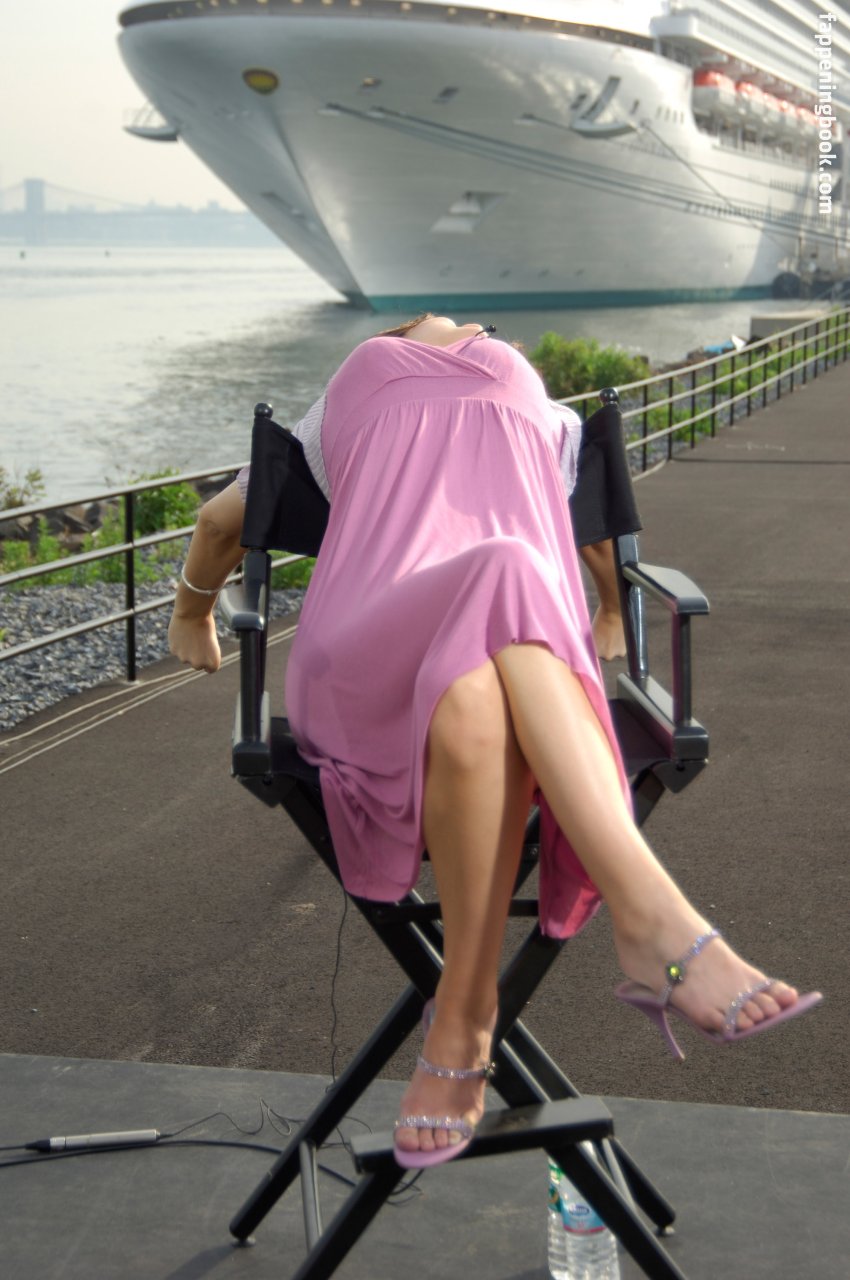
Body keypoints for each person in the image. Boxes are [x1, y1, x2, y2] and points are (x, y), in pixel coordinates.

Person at [169, 314, 821, 1171]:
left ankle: (466, 1014)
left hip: (399, 670)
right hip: (391, 672)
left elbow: (221, 523)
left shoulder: (354, 381)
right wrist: (612, 608)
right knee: (509, 562)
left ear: (403, 334)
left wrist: (192, 611)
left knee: (478, 685)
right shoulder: (531, 394)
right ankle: (652, 918)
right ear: (476, 335)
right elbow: (595, 537)